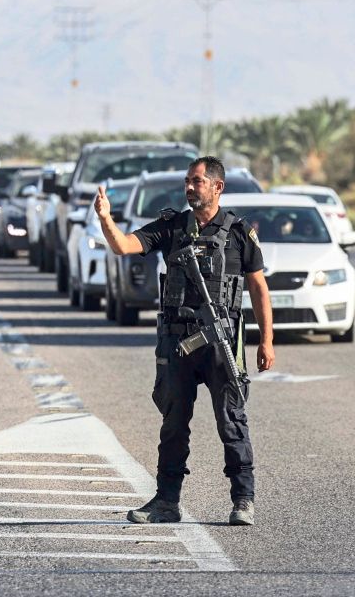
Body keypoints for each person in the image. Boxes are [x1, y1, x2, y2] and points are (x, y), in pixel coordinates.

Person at [94, 156, 275, 526]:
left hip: (222, 342)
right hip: (178, 342)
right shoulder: (172, 227)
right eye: (187, 182)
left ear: (217, 187)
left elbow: (259, 288)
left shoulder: (239, 233)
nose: (190, 188)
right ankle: (166, 502)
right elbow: (123, 246)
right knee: (173, 424)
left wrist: (266, 341)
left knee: (232, 421)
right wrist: (105, 218)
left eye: (197, 181)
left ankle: (243, 499)